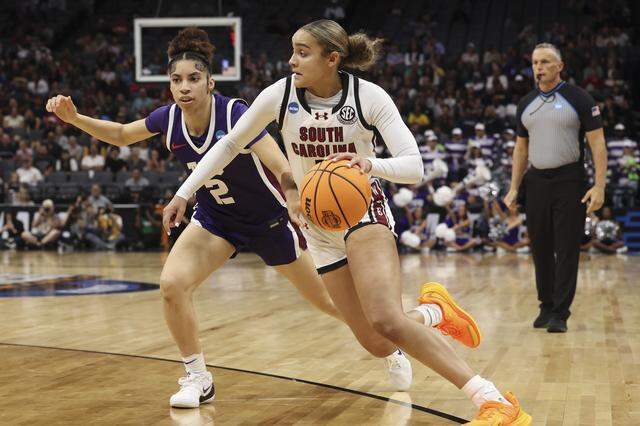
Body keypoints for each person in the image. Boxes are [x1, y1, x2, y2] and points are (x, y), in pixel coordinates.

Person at [165, 19, 531, 424]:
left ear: (332, 59)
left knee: (386, 318)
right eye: (292, 50)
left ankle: (492, 400)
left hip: (363, 213)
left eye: (302, 53)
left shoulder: (368, 96)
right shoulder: (279, 94)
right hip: (318, 227)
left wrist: (369, 163)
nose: (291, 60)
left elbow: (414, 166)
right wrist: (185, 192)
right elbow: (230, 143)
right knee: (377, 342)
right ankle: (433, 313)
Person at [46, 27, 418, 409]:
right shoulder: (168, 118)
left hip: (270, 220)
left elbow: (279, 162)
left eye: (193, 79)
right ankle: (197, 377)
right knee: (172, 284)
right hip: (217, 220)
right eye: (176, 80)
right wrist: (76, 119)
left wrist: (293, 191)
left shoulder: (234, 113)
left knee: (331, 303)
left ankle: (390, 349)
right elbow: (123, 133)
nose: (184, 87)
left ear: (210, 83)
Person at [504, 43, 607, 333]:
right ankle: (545, 305)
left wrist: (599, 186)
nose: (539, 67)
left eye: (546, 62)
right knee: (540, 246)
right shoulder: (526, 103)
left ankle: (560, 312)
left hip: (570, 179)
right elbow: (520, 149)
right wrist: (514, 187)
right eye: (536, 62)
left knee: (566, 247)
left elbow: (597, 144)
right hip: (536, 181)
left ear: (559, 66)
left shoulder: (580, 98)